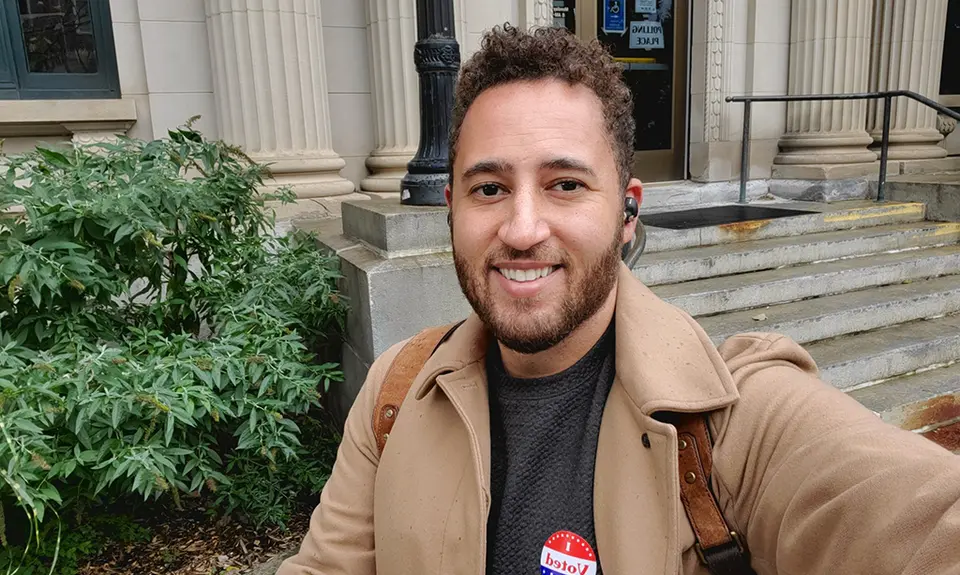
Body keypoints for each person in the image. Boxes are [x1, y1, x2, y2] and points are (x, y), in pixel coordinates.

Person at [278, 25, 960, 575]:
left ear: (628, 213)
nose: (521, 228)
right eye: (489, 188)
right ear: (451, 208)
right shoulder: (396, 392)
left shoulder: (737, 418)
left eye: (565, 185)